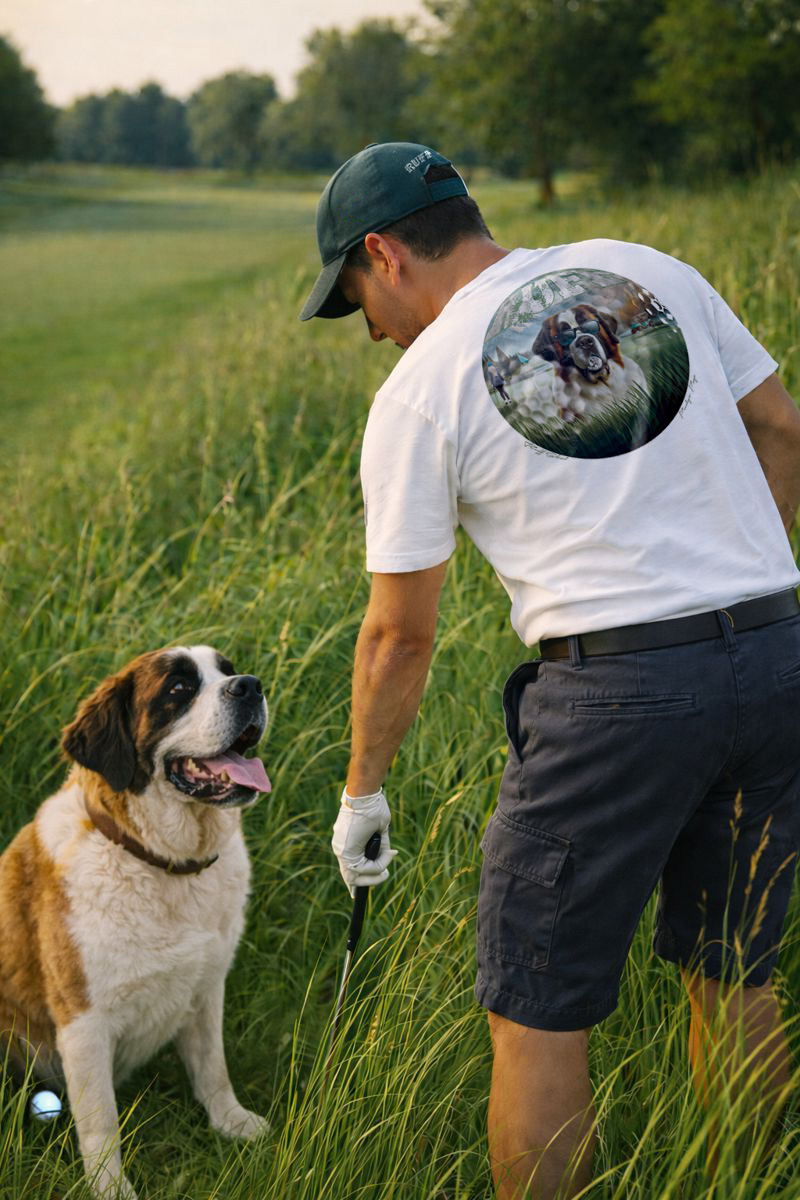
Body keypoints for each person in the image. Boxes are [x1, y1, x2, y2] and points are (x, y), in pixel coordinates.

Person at [299, 141, 800, 1200]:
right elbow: (782, 432)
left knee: (534, 1006)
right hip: (772, 653)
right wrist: (728, 581)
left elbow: (398, 635)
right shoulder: (649, 271)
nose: (373, 332)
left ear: (382, 254)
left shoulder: (420, 391)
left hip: (613, 699)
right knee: (734, 968)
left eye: (355, 300)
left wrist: (361, 792)